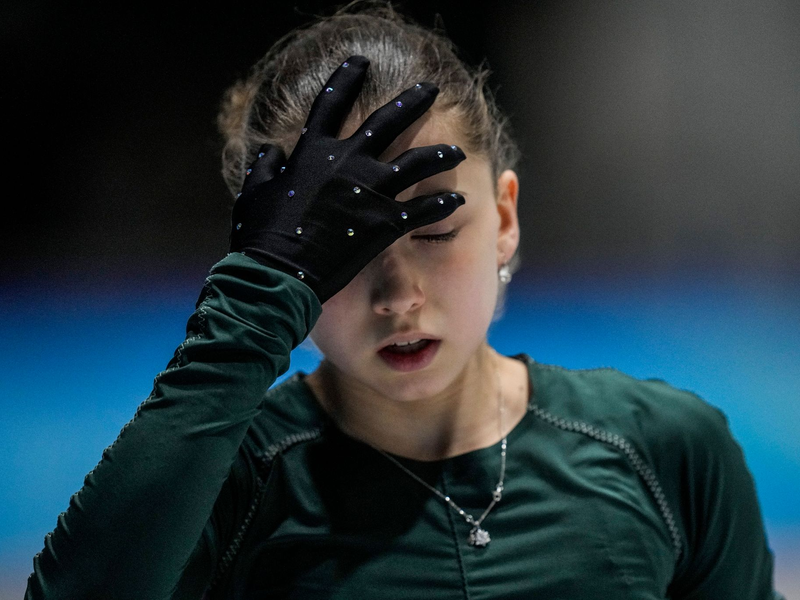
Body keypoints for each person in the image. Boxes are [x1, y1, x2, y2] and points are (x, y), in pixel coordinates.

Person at [26, 2, 784, 598]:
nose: (398, 294)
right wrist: (256, 300)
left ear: (506, 217)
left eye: (434, 227)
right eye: (337, 252)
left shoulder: (668, 454)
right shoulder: (228, 487)